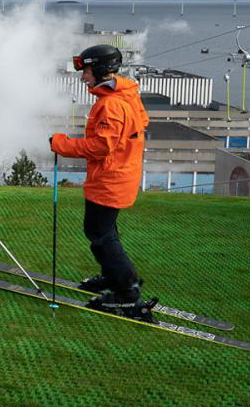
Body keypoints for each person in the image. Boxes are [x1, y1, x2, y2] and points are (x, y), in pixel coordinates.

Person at [49, 44, 156, 322]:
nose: (83, 77)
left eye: (85, 71)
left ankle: (126, 293)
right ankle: (114, 276)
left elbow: (100, 147)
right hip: (120, 175)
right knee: (104, 232)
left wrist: (61, 144)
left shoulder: (111, 103)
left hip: (109, 179)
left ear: (97, 69)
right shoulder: (126, 95)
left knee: (100, 235)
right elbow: (140, 123)